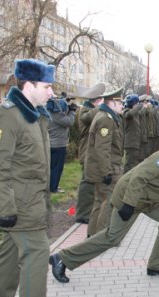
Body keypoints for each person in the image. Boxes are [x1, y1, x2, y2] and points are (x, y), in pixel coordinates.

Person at [49, 143, 159, 283]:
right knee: (112, 237)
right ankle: (63, 258)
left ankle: (157, 265)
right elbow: (139, 176)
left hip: (149, 202)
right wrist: (128, 204)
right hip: (129, 196)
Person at [0, 59, 69, 297]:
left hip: (31, 201)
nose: (51, 92)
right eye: (47, 86)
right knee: (37, 253)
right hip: (20, 205)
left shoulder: (35, 114)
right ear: (28, 85)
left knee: (8, 255)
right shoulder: (9, 114)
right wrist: (5, 207)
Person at [85, 88, 124, 236]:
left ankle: (92, 234)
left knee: (99, 200)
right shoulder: (106, 119)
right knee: (108, 202)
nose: (122, 105)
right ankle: (101, 237)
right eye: (120, 102)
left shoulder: (108, 117)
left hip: (106, 167)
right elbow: (102, 149)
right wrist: (106, 172)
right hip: (107, 169)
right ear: (112, 103)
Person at [75, 83, 106, 224]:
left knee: (92, 183)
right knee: (87, 183)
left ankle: (89, 211)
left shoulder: (91, 110)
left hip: (92, 151)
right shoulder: (84, 110)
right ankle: (82, 214)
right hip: (86, 151)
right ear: (96, 100)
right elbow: (86, 119)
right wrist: (101, 106)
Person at [46, 94, 76, 193]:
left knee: (51, 167)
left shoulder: (50, 112)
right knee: (57, 168)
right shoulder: (57, 115)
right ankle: (53, 188)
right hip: (58, 145)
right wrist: (72, 111)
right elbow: (69, 122)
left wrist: (66, 101)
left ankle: (50, 185)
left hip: (51, 144)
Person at [123, 94, 143, 173]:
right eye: (136, 103)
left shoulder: (135, 113)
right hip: (131, 143)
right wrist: (138, 106)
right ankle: (125, 181)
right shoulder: (126, 112)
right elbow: (129, 114)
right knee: (130, 165)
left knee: (134, 163)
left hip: (135, 142)